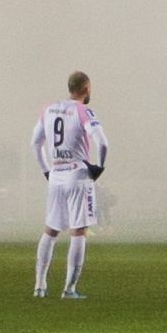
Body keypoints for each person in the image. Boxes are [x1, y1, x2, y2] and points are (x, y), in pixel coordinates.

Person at [31, 71, 108, 300]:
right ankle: (69, 289)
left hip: (56, 173)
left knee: (51, 229)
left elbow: (35, 143)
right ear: (86, 89)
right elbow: (102, 142)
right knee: (79, 231)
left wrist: (47, 170)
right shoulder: (83, 111)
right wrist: (99, 168)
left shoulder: (49, 109)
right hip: (77, 174)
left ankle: (39, 286)